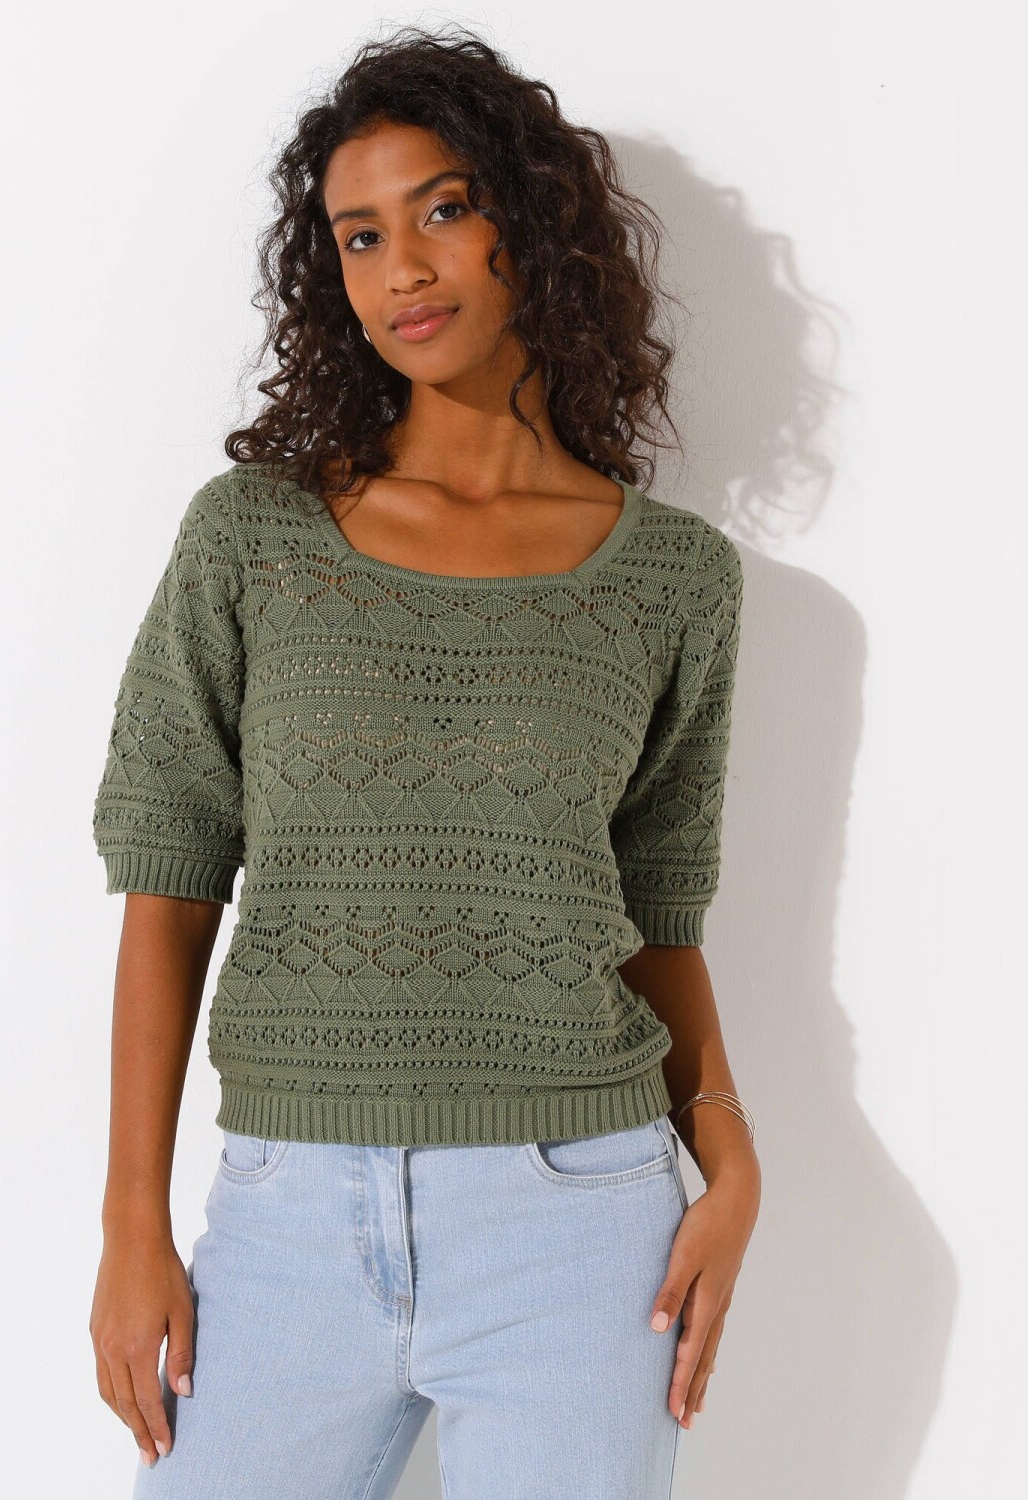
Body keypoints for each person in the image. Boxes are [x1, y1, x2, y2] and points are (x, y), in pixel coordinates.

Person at [87, 24, 761, 1499]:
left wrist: (732, 1153)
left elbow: (658, 912)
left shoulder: (673, 580)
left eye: (444, 209)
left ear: (533, 222)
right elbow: (170, 872)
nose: (405, 267)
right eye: (361, 235)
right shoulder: (253, 536)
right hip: (285, 1216)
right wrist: (132, 1221)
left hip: (581, 1221)